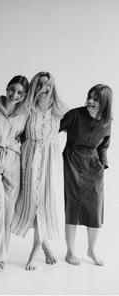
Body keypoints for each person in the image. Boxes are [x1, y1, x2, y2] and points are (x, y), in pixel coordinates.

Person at [11, 72, 68, 270]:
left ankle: (36, 248)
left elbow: (79, 127)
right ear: (35, 85)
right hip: (29, 157)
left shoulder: (60, 109)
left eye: (48, 83)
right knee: (32, 201)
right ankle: (43, 246)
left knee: (45, 200)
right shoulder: (27, 108)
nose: (44, 87)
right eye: (40, 83)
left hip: (50, 159)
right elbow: (15, 130)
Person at [59, 84, 112, 266]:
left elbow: (104, 145)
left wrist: (102, 164)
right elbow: (52, 128)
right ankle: (70, 251)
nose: (90, 101)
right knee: (72, 205)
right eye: (89, 97)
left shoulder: (107, 121)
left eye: (96, 99)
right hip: (72, 161)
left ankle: (91, 250)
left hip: (93, 164)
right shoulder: (74, 115)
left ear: (104, 102)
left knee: (95, 208)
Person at [0, 75, 29, 271]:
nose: (14, 94)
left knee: (9, 208)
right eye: (12, 89)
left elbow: (26, 136)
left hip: (13, 159)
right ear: (7, 87)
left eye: (20, 92)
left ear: (25, 94)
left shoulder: (26, 112)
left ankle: (3, 252)